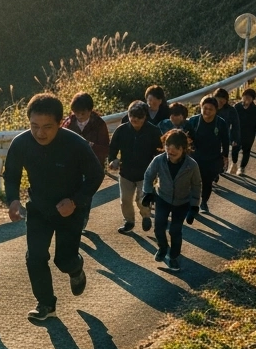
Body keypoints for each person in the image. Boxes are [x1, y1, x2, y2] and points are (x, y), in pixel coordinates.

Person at [4, 93, 104, 322]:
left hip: (71, 210)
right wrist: (13, 200)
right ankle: (46, 304)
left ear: (61, 123)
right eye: (34, 126)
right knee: (35, 256)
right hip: (39, 208)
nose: (40, 133)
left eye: (47, 127)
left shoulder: (75, 144)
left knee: (63, 260)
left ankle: (75, 268)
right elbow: (11, 176)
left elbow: (96, 175)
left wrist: (76, 201)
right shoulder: (21, 143)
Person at [140, 129, 202, 270]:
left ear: (184, 149)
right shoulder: (159, 160)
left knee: (175, 230)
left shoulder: (191, 165)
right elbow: (149, 175)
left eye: (176, 150)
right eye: (168, 148)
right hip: (162, 198)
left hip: (182, 202)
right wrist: (147, 193)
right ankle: (162, 248)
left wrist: (194, 206)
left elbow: (196, 185)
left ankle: (174, 256)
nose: (171, 152)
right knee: (159, 227)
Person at [107, 100, 161, 234]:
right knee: (125, 200)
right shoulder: (122, 130)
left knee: (141, 199)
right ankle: (129, 221)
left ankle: (146, 215)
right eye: (132, 116)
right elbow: (112, 148)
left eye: (139, 117)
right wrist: (113, 160)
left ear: (145, 117)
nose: (134, 119)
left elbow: (160, 151)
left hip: (146, 173)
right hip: (126, 172)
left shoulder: (153, 131)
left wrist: (158, 170)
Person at [186, 97, 230, 213]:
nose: (207, 111)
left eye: (211, 109)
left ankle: (204, 202)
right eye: (205, 108)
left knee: (207, 181)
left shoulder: (220, 123)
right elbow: (185, 137)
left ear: (216, 110)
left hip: (212, 158)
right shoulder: (193, 121)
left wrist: (225, 156)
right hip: (195, 157)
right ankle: (193, 204)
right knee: (193, 182)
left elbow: (225, 141)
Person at [62, 92, 109, 166]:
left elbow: (105, 149)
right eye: (76, 113)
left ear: (90, 110)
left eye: (83, 113)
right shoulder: (68, 124)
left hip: (93, 166)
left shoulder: (99, 124)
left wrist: (90, 145)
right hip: (73, 166)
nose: (79, 116)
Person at [232, 88, 256, 175]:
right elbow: (230, 120)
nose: (246, 99)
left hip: (249, 134)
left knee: (246, 151)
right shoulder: (236, 107)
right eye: (245, 97)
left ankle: (242, 167)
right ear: (242, 97)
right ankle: (234, 163)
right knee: (235, 150)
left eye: (249, 98)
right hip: (237, 133)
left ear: (252, 99)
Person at [212, 88, 239, 179]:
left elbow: (235, 125)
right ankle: (214, 173)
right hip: (210, 135)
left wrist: (235, 138)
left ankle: (221, 168)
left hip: (224, 136)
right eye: (219, 101)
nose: (220, 104)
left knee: (223, 154)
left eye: (223, 102)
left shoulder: (230, 110)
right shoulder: (209, 107)